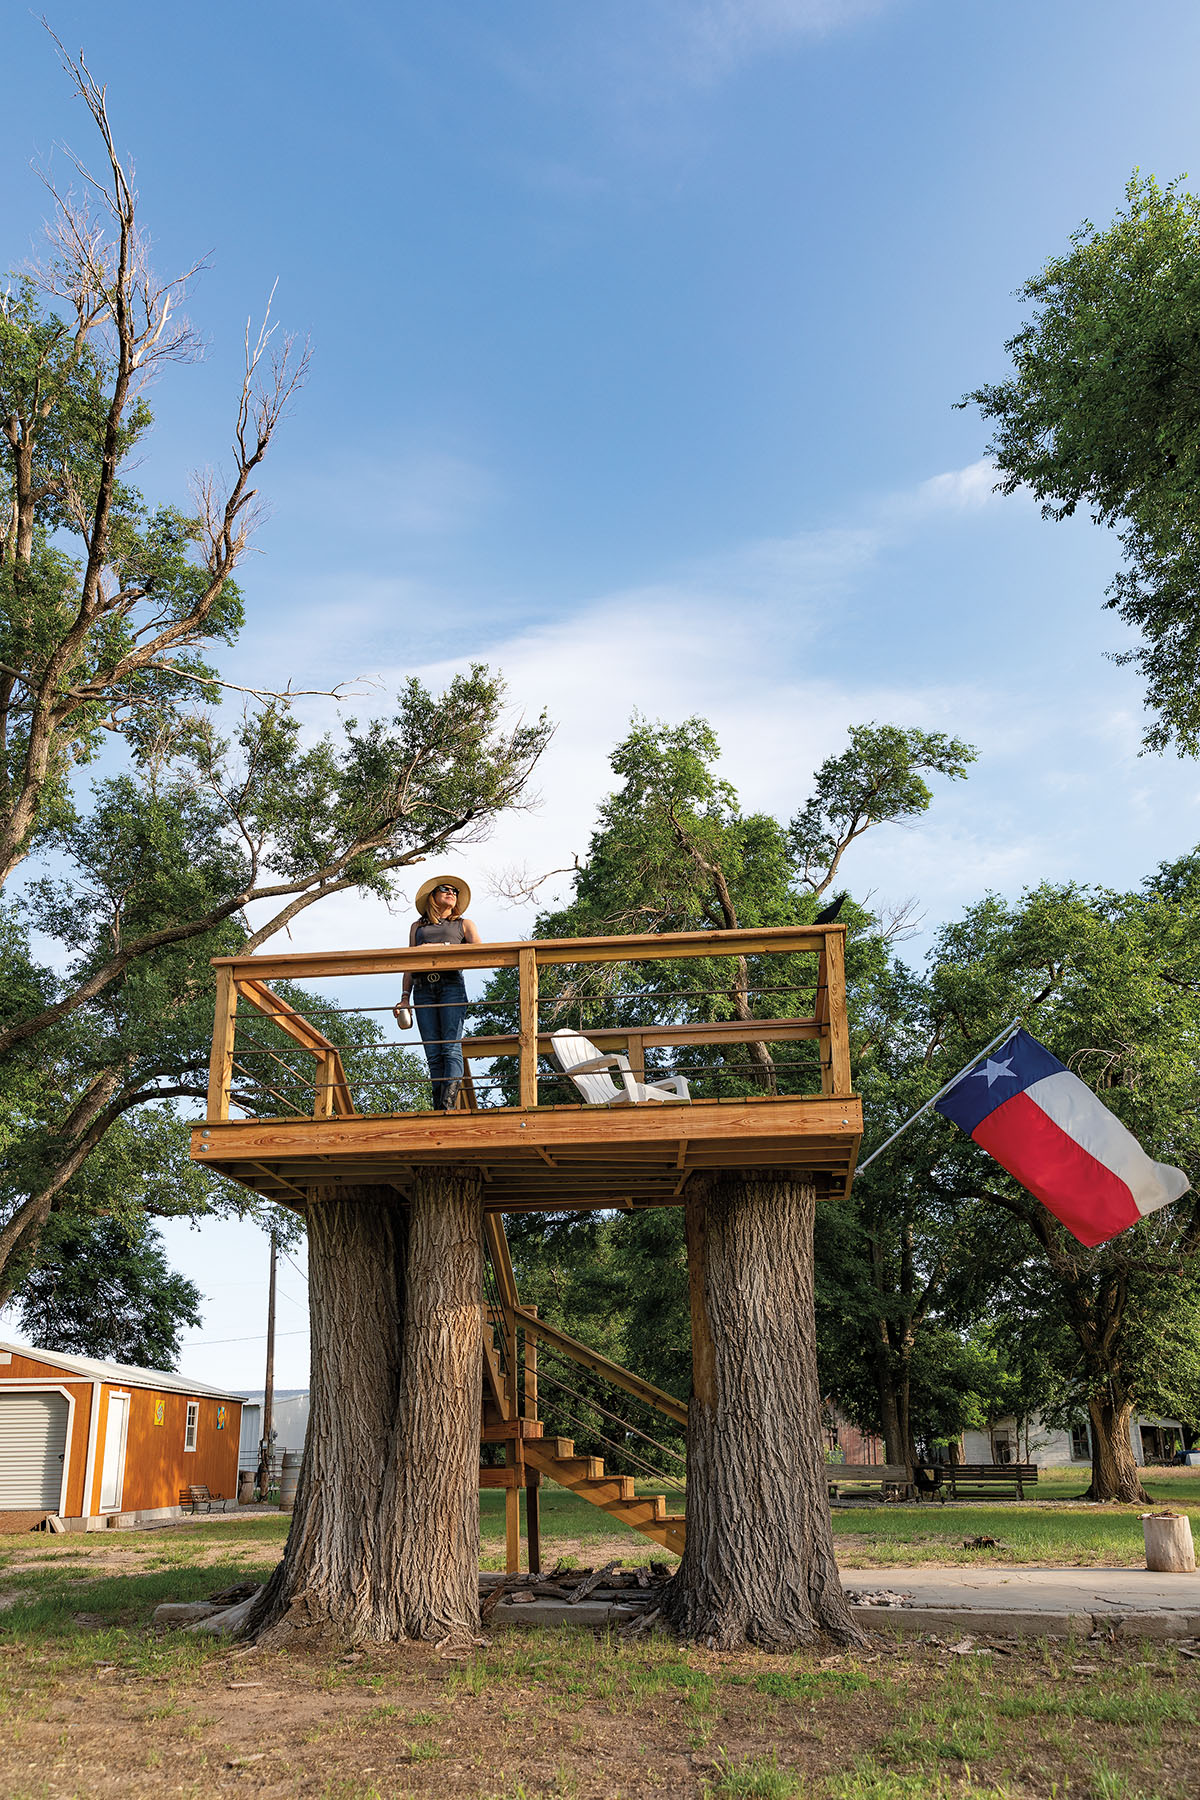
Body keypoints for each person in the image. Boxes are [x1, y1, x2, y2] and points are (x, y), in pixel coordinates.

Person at [394, 875, 481, 1112]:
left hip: (451, 985)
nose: (452, 893)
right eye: (446, 889)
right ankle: (437, 1107)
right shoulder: (418, 927)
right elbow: (409, 964)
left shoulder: (464, 924)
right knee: (433, 1051)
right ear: (433, 896)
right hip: (422, 989)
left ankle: (447, 1107)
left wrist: (439, 948)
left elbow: (481, 953)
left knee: (450, 1047)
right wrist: (404, 998)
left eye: (455, 891)